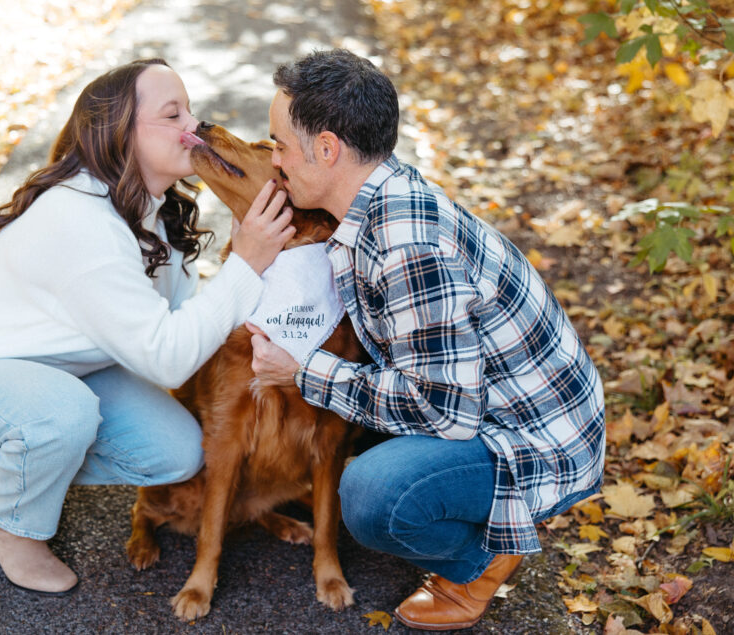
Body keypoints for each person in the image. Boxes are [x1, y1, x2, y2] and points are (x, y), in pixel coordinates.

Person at [0, 58, 294, 595]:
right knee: (64, 415)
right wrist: (246, 263)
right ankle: (5, 523)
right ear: (120, 134)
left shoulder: (152, 209)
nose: (192, 127)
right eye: (173, 114)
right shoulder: (81, 223)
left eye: (190, 110)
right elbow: (167, 357)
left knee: (174, 451)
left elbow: (181, 321)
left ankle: (30, 467)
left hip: (50, 370)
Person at [247, 49, 605, 631]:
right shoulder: (380, 195)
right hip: (501, 405)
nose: (274, 160)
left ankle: (479, 566)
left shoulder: (407, 245)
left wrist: (302, 370)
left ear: (329, 149)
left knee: (370, 493)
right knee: (366, 443)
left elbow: (444, 410)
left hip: (538, 443)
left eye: (280, 144)